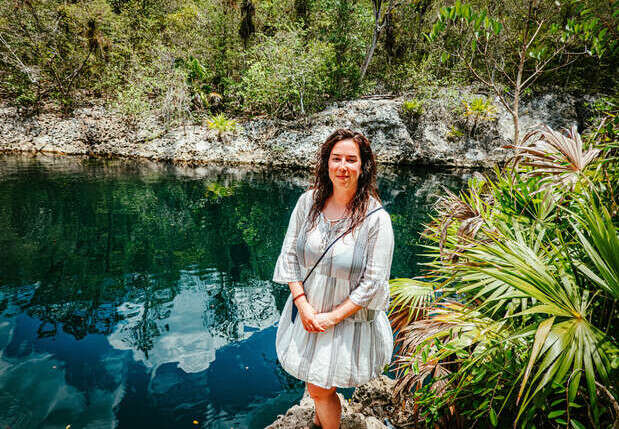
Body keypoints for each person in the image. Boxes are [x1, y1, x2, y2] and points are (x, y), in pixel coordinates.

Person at [273, 129, 395, 429]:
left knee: (318, 387)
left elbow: (373, 282)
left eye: (351, 160)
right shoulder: (308, 203)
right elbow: (289, 256)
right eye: (336, 158)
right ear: (326, 163)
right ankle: (319, 420)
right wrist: (303, 306)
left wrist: (331, 318)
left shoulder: (376, 219)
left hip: (345, 319)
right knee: (319, 383)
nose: (343, 166)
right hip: (309, 311)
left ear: (363, 166)